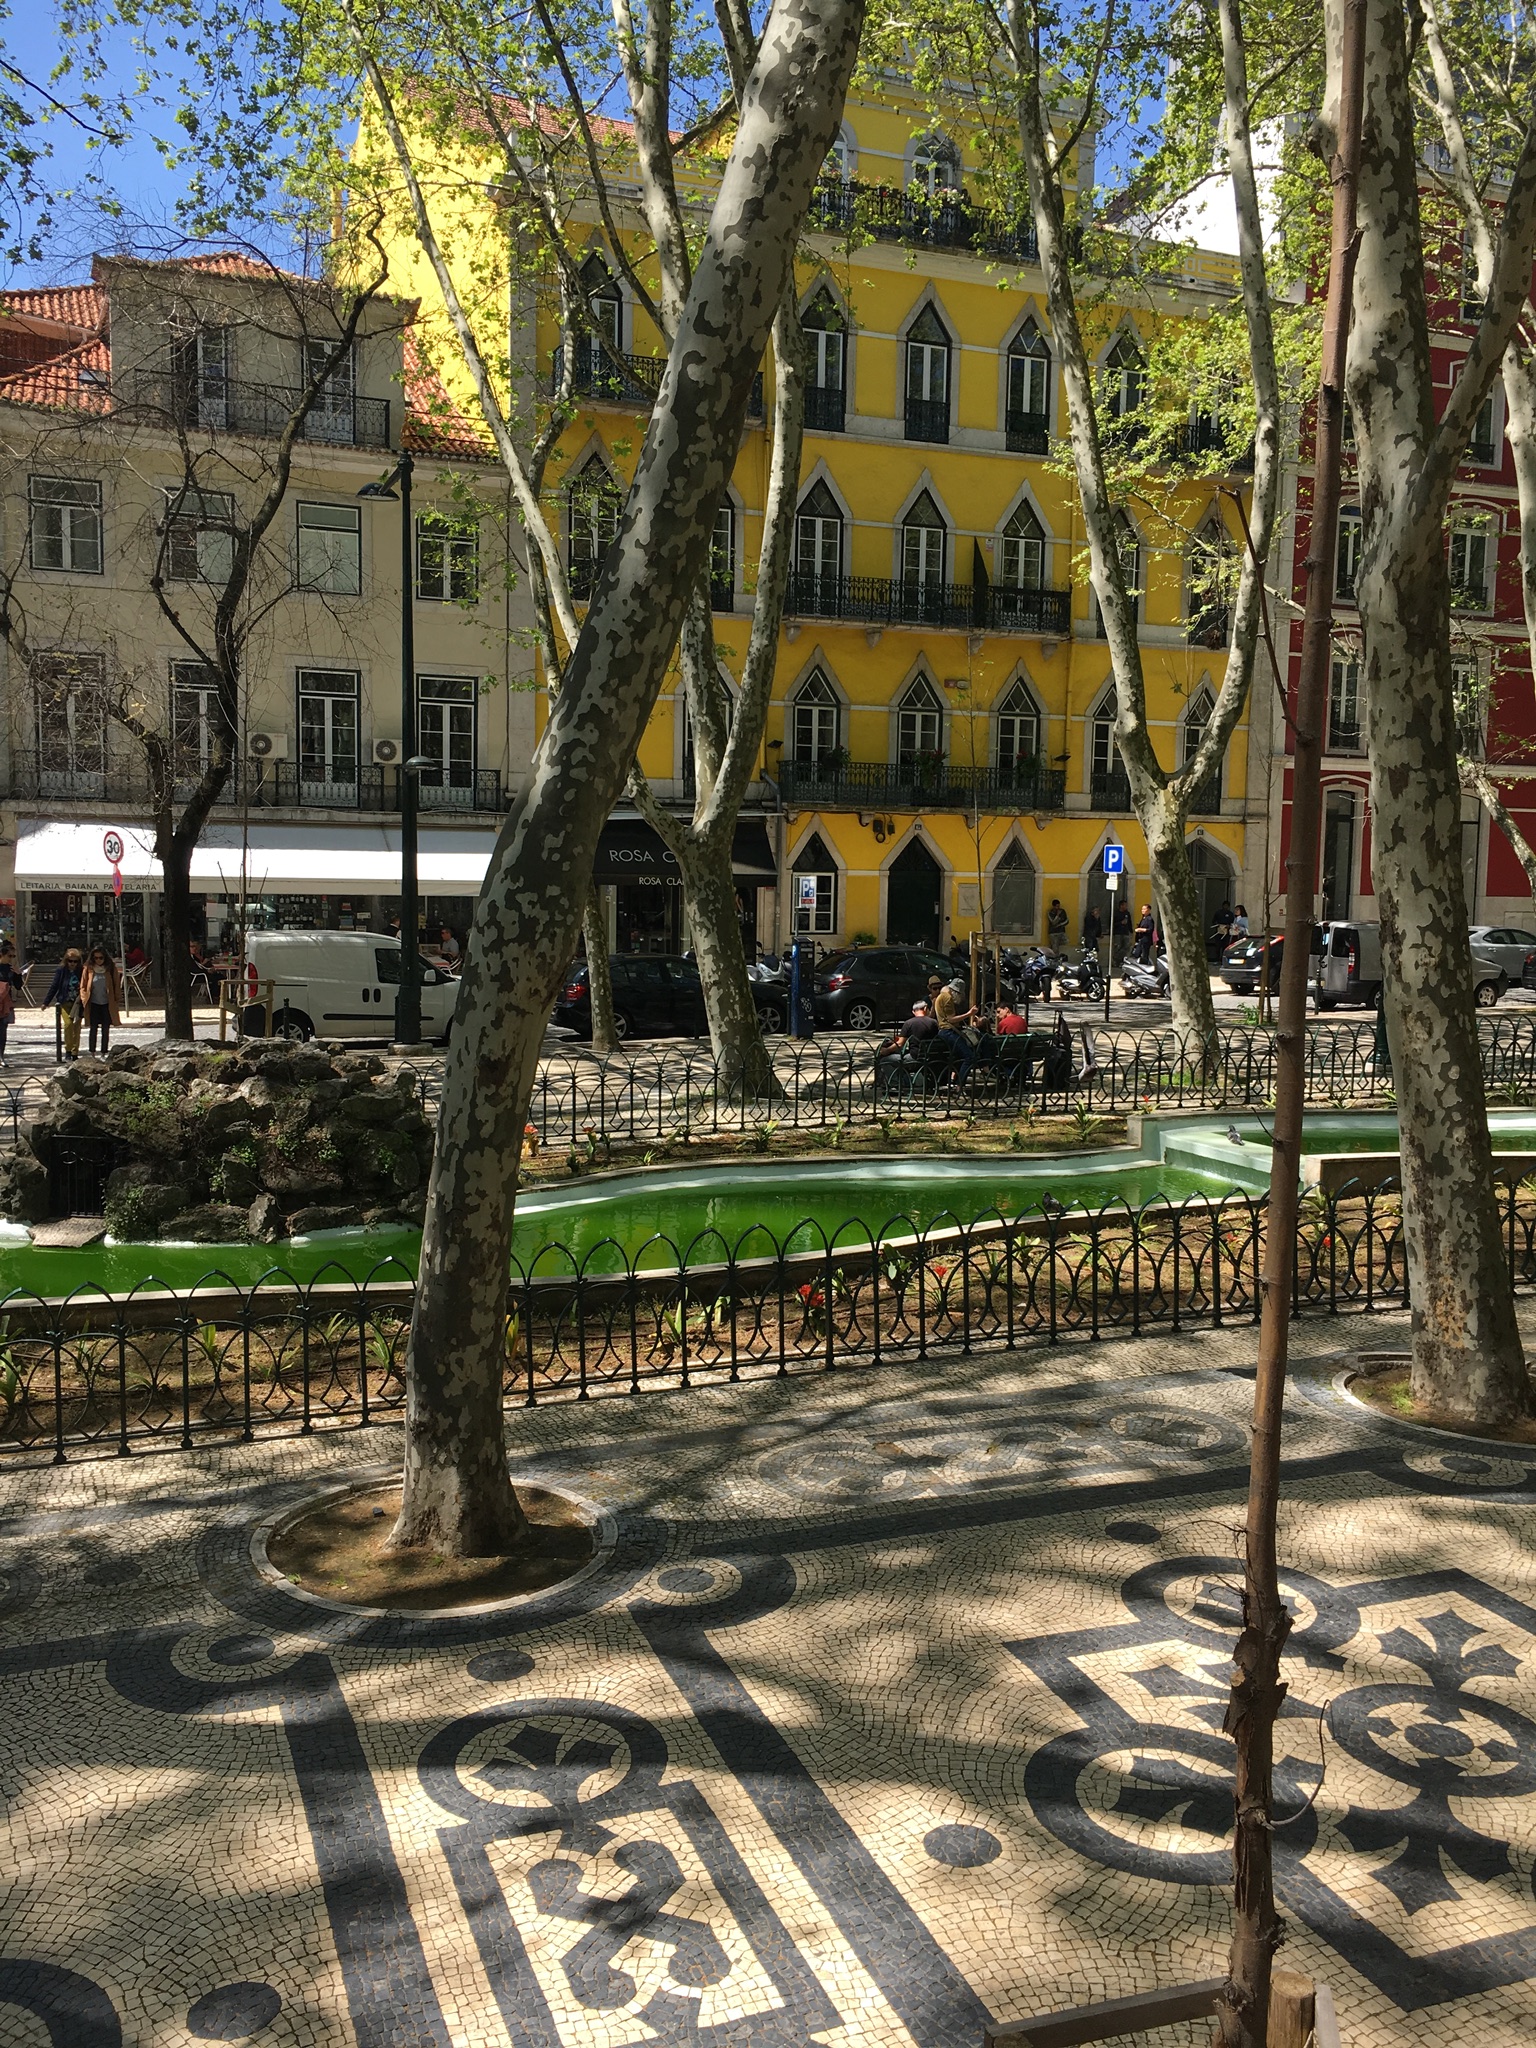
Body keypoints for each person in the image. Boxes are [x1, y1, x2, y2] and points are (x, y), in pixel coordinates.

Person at [80, 944, 122, 1057]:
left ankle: (104, 1052)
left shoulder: (110, 968)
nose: (98, 960)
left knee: (105, 1028)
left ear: (105, 958)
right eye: (96, 958)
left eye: (101, 958)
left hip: (107, 1003)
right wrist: (84, 998)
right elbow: (83, 985)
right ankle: (92, 1052)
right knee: (93, 1028)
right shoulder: (88, 968)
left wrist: (116, 998)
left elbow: (116, 984)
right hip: (93, 1003)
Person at [45, 947, 85, 1061]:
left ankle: (75, 1052)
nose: (72, 964)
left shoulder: (82, 971)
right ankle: (68, 1050)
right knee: (68, 1025)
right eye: (70, 961)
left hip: (77, 1003)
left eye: (75, 961)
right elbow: (55, 985)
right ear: (66, 960)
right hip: (65, 1001)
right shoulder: (61, 970)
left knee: (76, 1027)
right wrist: (46, 1002)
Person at [0, 939, 17, 1066]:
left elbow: (18, 986)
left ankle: (1, 1056)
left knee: (3, 1030)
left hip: (6, 1002)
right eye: (9, 956)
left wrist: (18, 974)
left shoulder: (11, 969)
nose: (11, 959)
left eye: (13, 956)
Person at [1112, 901, 1133, 966]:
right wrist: (1121, 923)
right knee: (1117, 947)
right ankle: (1116, 961)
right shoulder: (1116, 913)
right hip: (1118, 932)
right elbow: (1112, 924)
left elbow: (1129, 922)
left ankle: (1120, 958)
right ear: (1121, 906)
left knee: (1126, 947)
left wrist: (1131, 931)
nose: (1126, 907)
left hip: (1125, 932)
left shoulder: (1127, 913)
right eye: (1125, 905)